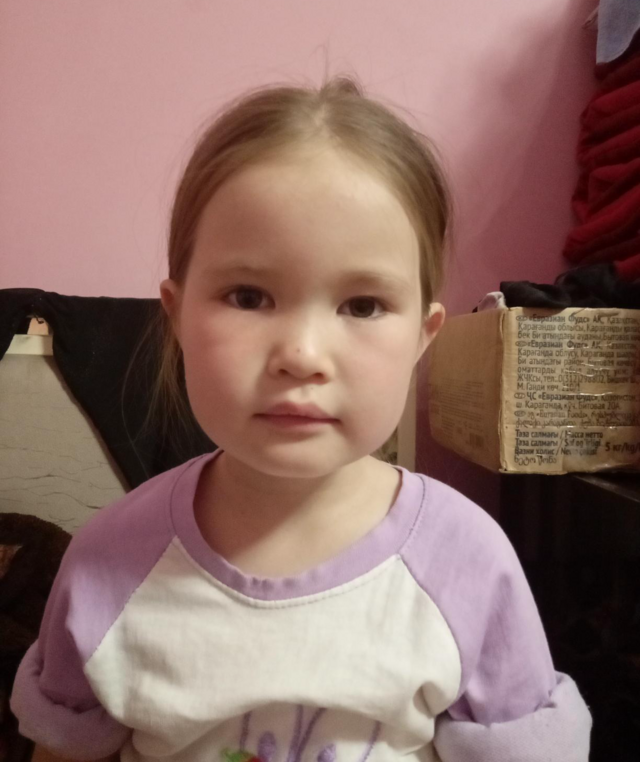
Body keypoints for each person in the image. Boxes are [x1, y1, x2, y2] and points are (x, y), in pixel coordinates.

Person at [11, 77, 591, 762]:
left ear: (422, 335)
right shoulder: (107, 563)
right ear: (177, 317)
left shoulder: (468, 561)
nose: (302, 355)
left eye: (363, 305)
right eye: (248, 296)